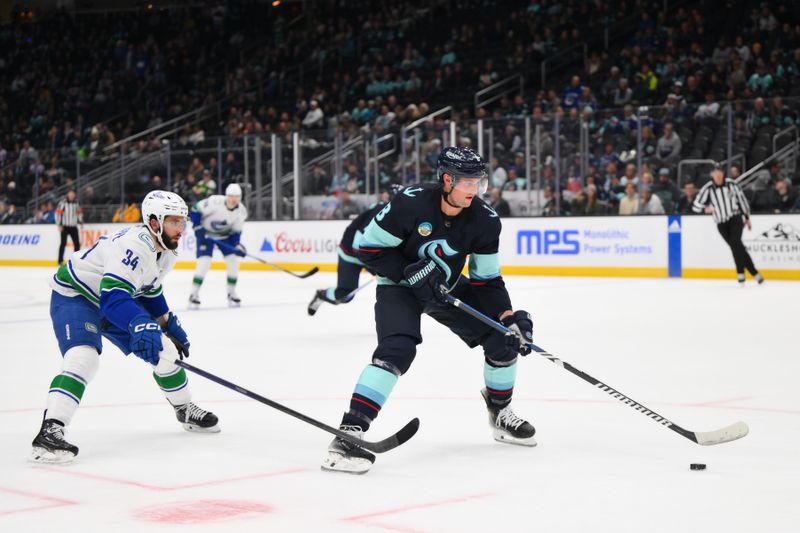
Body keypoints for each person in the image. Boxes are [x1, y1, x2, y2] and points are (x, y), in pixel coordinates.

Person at [321, 147, 535, 474]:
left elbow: (488, 281)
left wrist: (508, 319)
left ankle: (501, 413)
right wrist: (411, 272)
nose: (474, 190)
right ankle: (349, 433)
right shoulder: (411, 202)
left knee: (502, 340)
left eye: (479, 182)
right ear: (447, 180)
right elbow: (369, 249)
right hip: (399, 287)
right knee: (397, 350)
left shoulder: (485, 220)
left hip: (445, 288)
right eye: (467, 182)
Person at [31, 190, 220, 464]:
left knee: (167, 352)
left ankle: (184, 409)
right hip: (77, 294)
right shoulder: (134, 245)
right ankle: (51, 429)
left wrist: (166, 324)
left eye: (183, 221)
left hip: (110, 299)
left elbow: (150, 290)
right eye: (174, 221)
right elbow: (114, 297)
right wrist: (141, 323)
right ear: (154, 222)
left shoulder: (166, 251)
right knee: (84, 357)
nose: (181, 228)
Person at [308, 184, 404, 316]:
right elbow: (358, 245)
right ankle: (321, 294)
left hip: (368, 253)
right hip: (351, 254)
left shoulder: (394, 213)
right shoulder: (381, 211)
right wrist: (375, 265)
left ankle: (396, 319)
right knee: (344, 295)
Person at [693, 164, 764, 286]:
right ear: (712, 174)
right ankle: (755, 273)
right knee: (737, 247)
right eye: (716, 172)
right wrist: (705, 209)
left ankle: (740, 274)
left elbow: (742, 200)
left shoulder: (732, 184)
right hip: (721, 223)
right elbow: (695, 206)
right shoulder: (708, 188)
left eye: (720, 172)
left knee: (736, 243)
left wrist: (747, 217)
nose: (718, 174)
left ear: (723, 173)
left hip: (735, 218)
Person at [189, 183, 248, 307]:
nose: (234, 199)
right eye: (231, 196)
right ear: (226, 196)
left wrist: (236, 244)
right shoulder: (214, 201)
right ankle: (193, 294)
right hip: (206, 235)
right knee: (204, 263)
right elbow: (195, 209)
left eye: (237, 196)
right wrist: (198, 227)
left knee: (233, 262)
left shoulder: (241, 211)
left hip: (224, 237)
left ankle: (231, 293)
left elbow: (236, 232)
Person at [56, 189, 83, 265]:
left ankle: (76, 260)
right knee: (63, 243)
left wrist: (80, 221)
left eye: (73, 194)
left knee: (77, 243)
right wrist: (59, 224)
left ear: (74, 195)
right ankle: (60, 261)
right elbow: (58, 213)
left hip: (73, 226)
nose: (71, 195)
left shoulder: (76, 203)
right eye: (70, 194)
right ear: (67, 195)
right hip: (65, 227)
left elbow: (79, 213)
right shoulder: (63, 203)